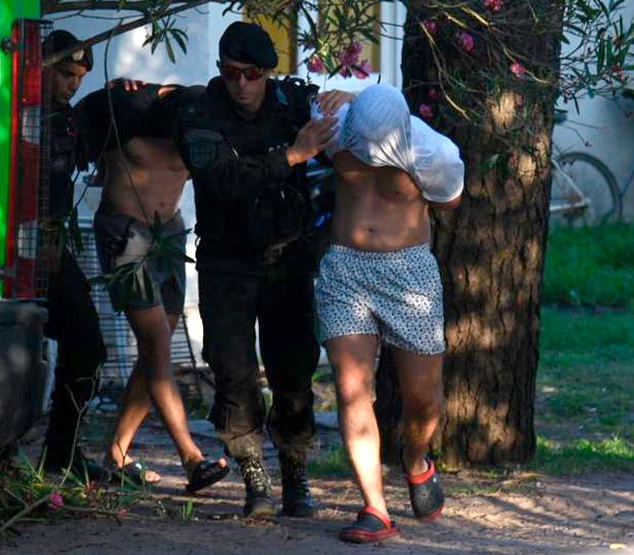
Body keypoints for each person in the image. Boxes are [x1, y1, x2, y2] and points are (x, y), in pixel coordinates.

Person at [173, 21, 351, 518]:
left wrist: (346, 99)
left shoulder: (294, 102)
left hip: (287, 258)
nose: (242, 84)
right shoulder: (200, 112)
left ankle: (295, 471)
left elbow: (356, 120)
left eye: (252, 74)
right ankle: (255, 475)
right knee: (233, 374)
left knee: (293, 372)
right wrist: (292, 154)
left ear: (268, 72)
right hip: (226, 262)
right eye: (232, 73)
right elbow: (224, 178)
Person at [315, 84, 464, 543]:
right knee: (351, 389)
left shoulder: (434, 152)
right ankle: (375, 509)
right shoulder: (336, 124)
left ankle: (416, 461)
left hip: (409, 272)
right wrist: (350, 98)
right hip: (345, 267)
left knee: (423, 398)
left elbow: (449, 200)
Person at [73, 82, 229, 492]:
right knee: (157, 341)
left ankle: (117, 454)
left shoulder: (201, 133)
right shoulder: (128, 113)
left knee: (154, 350)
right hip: (124, 232)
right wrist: (116, 88)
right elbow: (85, 118)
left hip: (170, 234)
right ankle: (191, 458)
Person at [37, 30, 109, 482]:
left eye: (79, 77)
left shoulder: (66, 119)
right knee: (19, 352)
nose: (72, 84)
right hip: (20, 250)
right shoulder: (19, 113)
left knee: (87, 347)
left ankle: (62, 454)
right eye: (65, 74)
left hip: (53, 249)